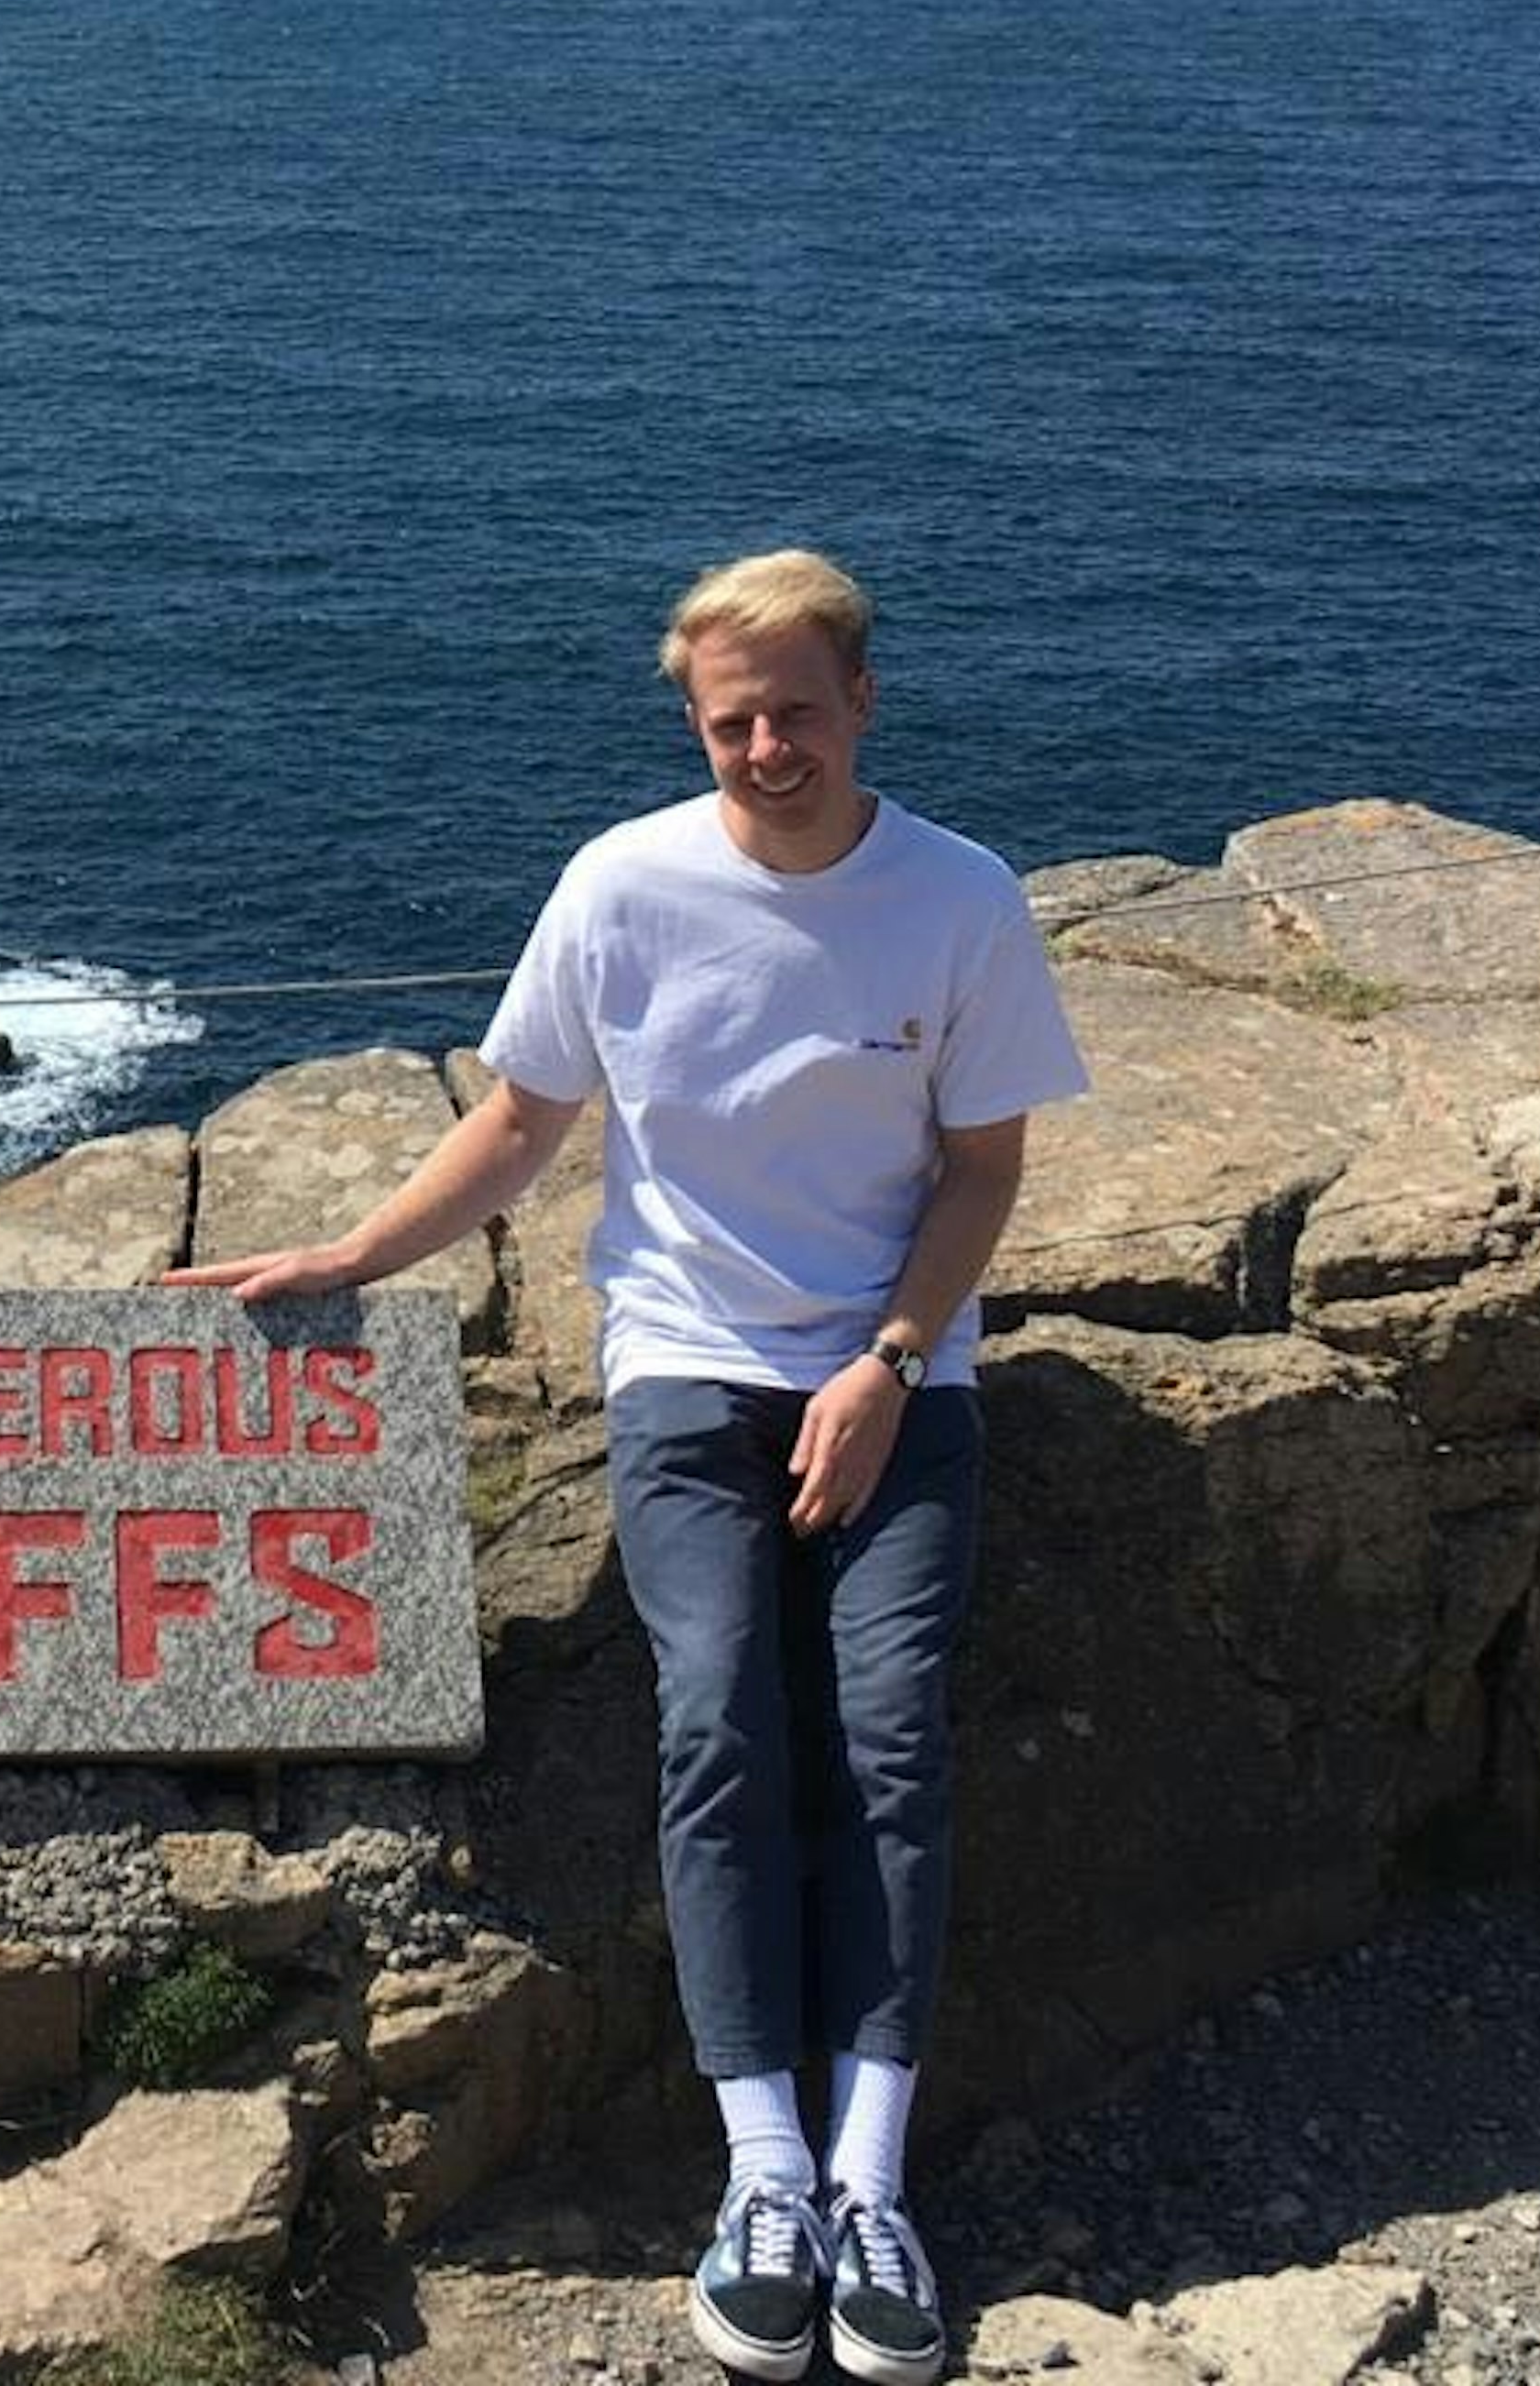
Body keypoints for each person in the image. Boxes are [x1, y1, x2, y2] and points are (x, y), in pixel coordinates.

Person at [170, 548, 1087, 2385]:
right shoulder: (623, 886)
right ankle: (761, 2168)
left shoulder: (961, 900)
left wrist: (891, 1365)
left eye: (798, 712)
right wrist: (350, 1261)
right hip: (682, 1362)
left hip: (894, 1374)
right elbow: (520, 1121)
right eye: (733, 718)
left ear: (864, 705)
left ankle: (868, 2178)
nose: (768, 748)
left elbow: (981, 1170)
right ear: (697, 721)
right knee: (720, 1713)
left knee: (890, 1722)